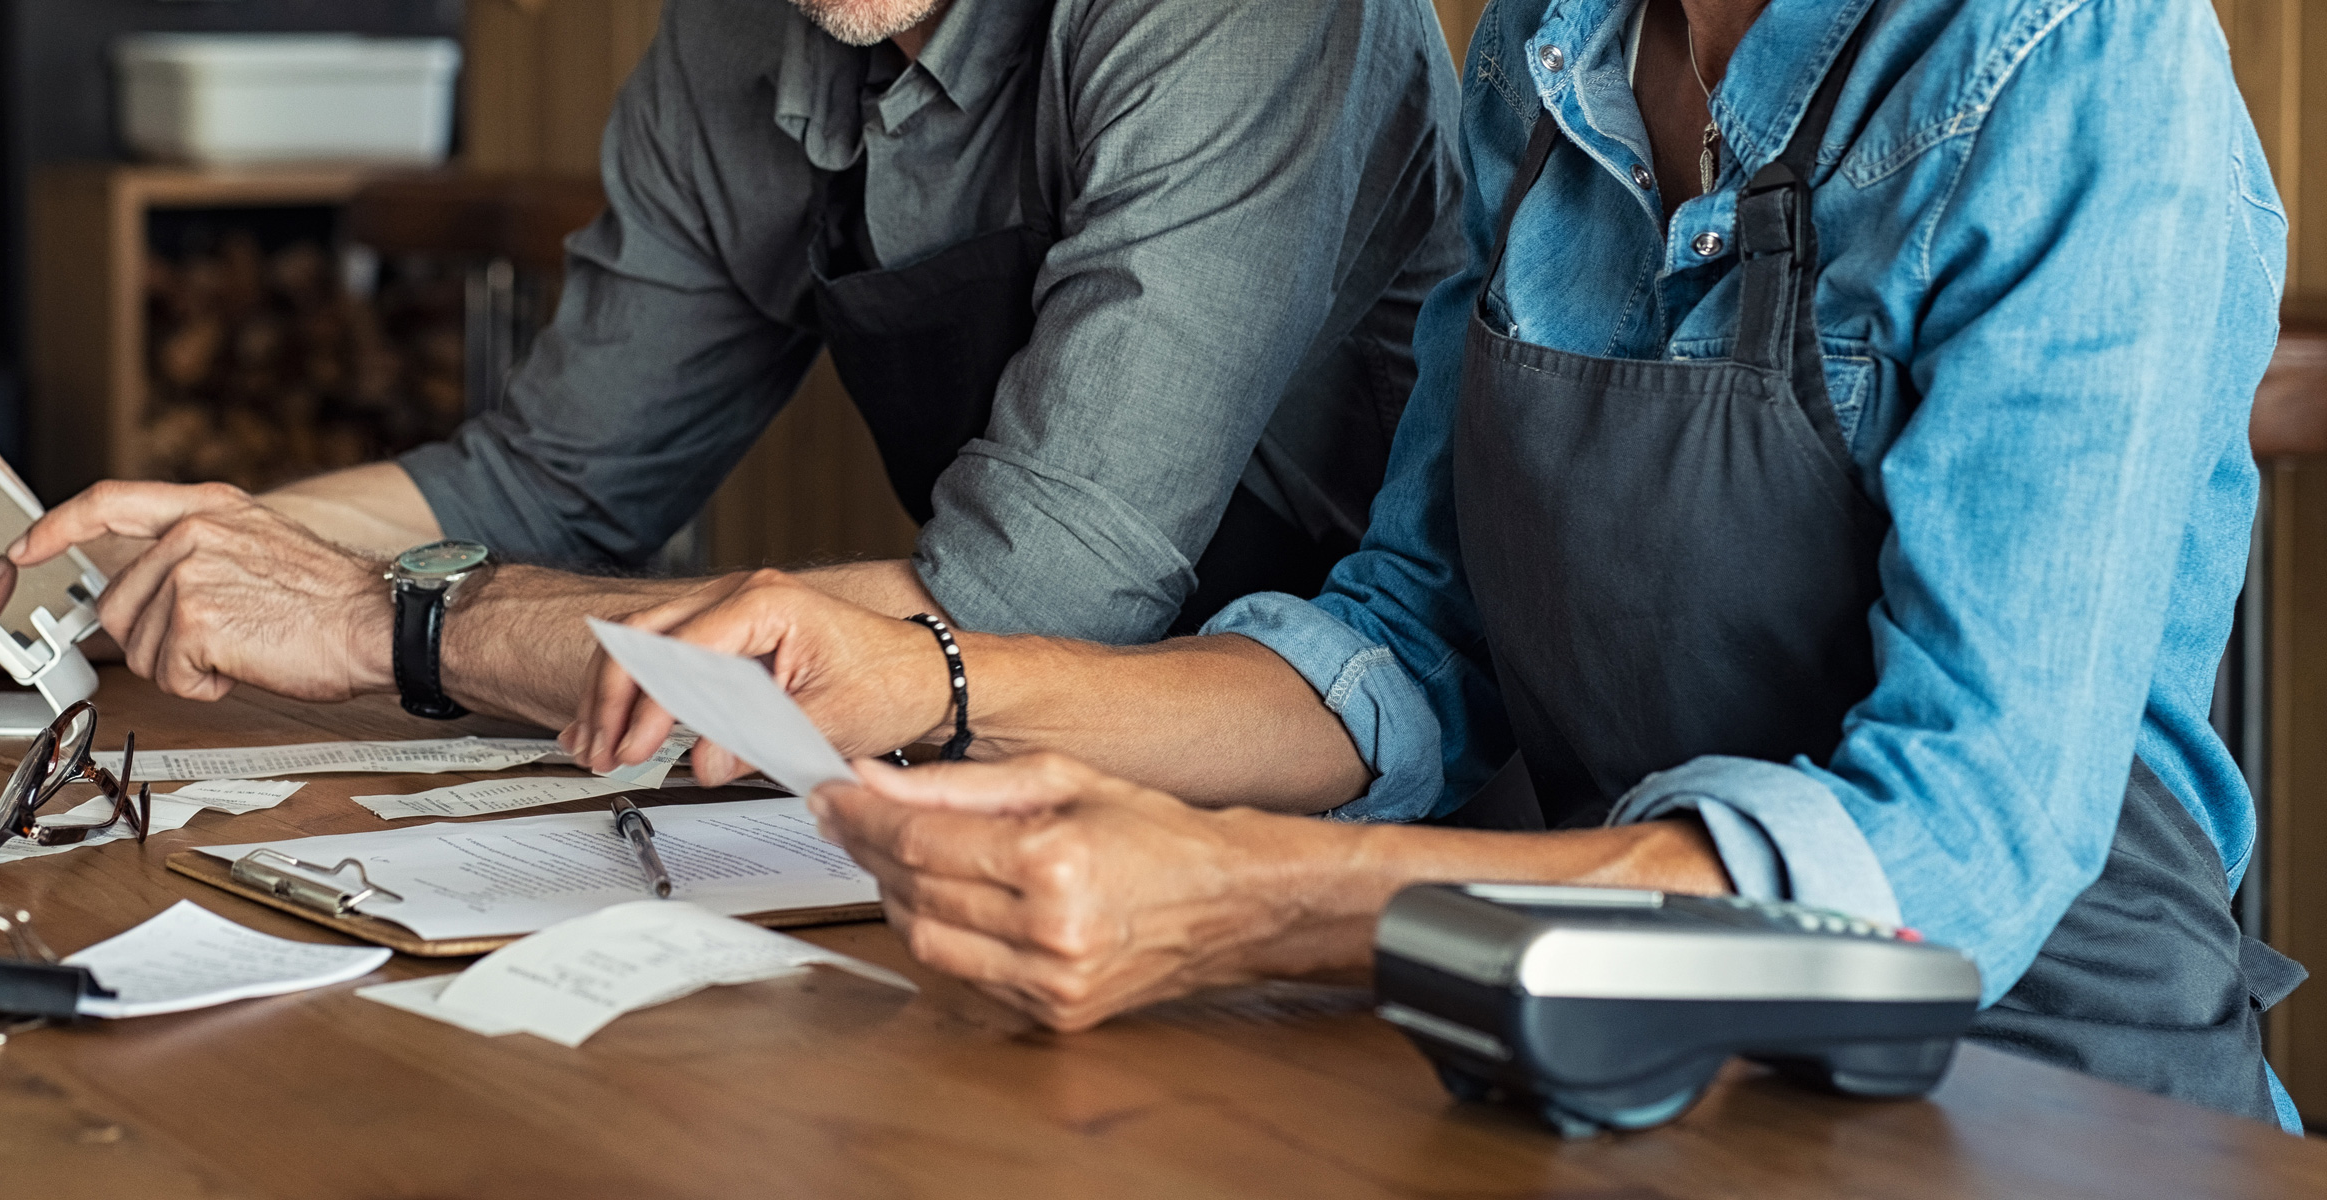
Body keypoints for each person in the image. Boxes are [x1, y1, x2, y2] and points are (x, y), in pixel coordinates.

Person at [565, 0, 2308, 1129]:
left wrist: (1256, 902)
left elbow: (1969, 844)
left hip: (2042, 1103)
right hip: (1616, 1064)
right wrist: (940, 686)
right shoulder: (1547, 50)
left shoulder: (2087, 66)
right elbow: (1413, 637)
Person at [0, 0, 1464, 728]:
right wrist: (93, 580)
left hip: (1350, 780)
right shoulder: (738, 38)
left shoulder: (1240, 9)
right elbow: (552, 478)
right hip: (973, 780)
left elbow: (1040, 598)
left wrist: (378, 619)